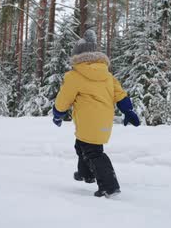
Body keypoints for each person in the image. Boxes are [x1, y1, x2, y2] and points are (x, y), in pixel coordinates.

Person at [52, 30, 140, 198]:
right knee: (81, 146)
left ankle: (109, 186)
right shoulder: (107, 75)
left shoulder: (74, 76)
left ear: (77, 55)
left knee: (94, 152)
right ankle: (86, 174)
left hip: (87, 122)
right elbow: (120, 94)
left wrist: (58, 113)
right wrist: (128, 110)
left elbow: (64, 99)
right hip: (104, 122)